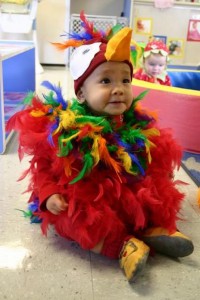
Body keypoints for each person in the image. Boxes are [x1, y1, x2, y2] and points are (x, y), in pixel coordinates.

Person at [6, 11, 194, 282]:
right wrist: (49, 195)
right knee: (70, 218)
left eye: (125, 80)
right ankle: (122, 245)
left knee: (156, 194)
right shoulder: (65, 130)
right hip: (88, 198)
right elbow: (45, 168)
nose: (118, 88)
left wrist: (159, 173)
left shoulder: (136, 124)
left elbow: (151, 158)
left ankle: (155, 230)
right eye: (106, 81)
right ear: (81, 92)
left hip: (127, 190)